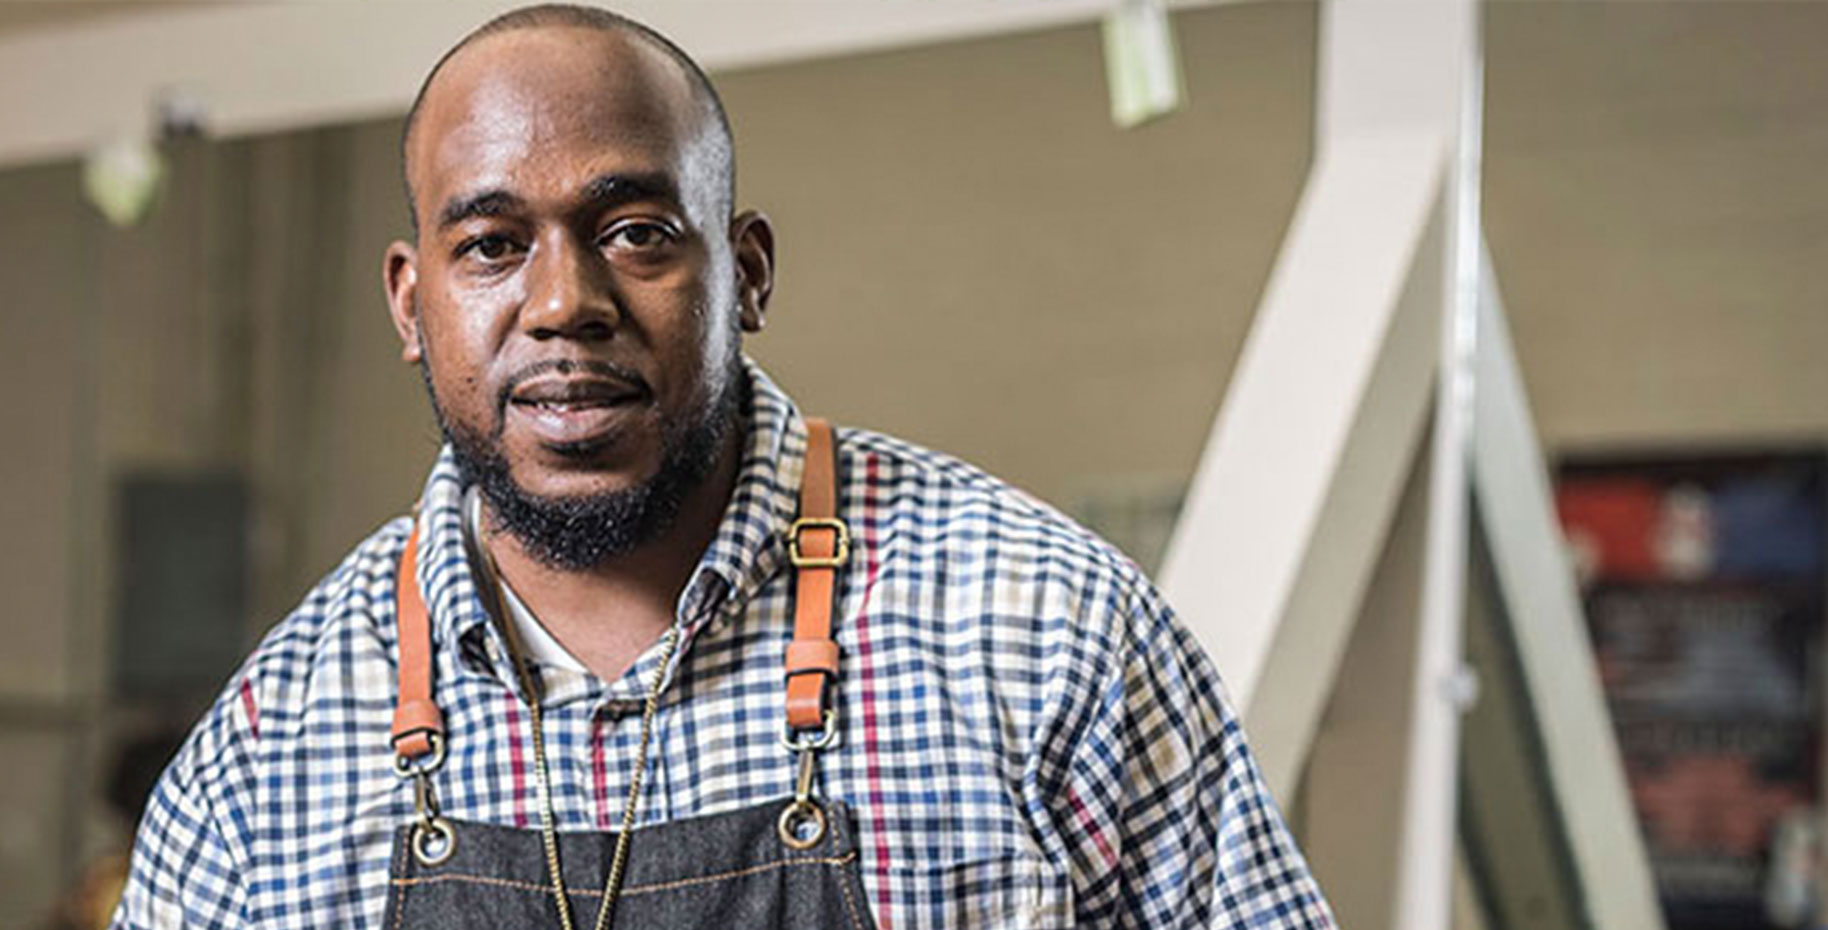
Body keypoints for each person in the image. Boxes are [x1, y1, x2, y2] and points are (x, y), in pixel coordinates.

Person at [113, 5, 1335, 928]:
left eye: (634, 233)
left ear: (745, 273)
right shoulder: (269, 756)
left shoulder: (1041, 636)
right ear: (410, 302)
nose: (563, 303)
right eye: (490, 245)